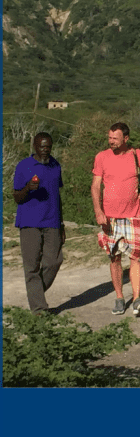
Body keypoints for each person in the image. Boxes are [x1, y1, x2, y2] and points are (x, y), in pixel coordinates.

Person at [91, 121, 140, 316]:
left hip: (133, 215)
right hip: (110, 217)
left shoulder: (137, 155)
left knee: (136, 257)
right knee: (114, 257)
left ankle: (136, 299)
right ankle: (119, 297)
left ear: (126, 139)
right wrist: (98, 211)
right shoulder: (101, 157)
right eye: (109, 138)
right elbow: (95, 186)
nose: (111, 142)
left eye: (115, 139)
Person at [13, 132, 65, 315]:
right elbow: (16, 198)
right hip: (29, 223)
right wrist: (27, 188)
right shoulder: (23, 166)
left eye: (48, 147)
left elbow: (57, 196)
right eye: (42, 146)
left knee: (55, 260)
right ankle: (39, 309)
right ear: (35, 146)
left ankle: (35, 294)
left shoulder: (55, 165)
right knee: (32, 266)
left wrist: (62, 224)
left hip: (52, 221)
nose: (46, 150)